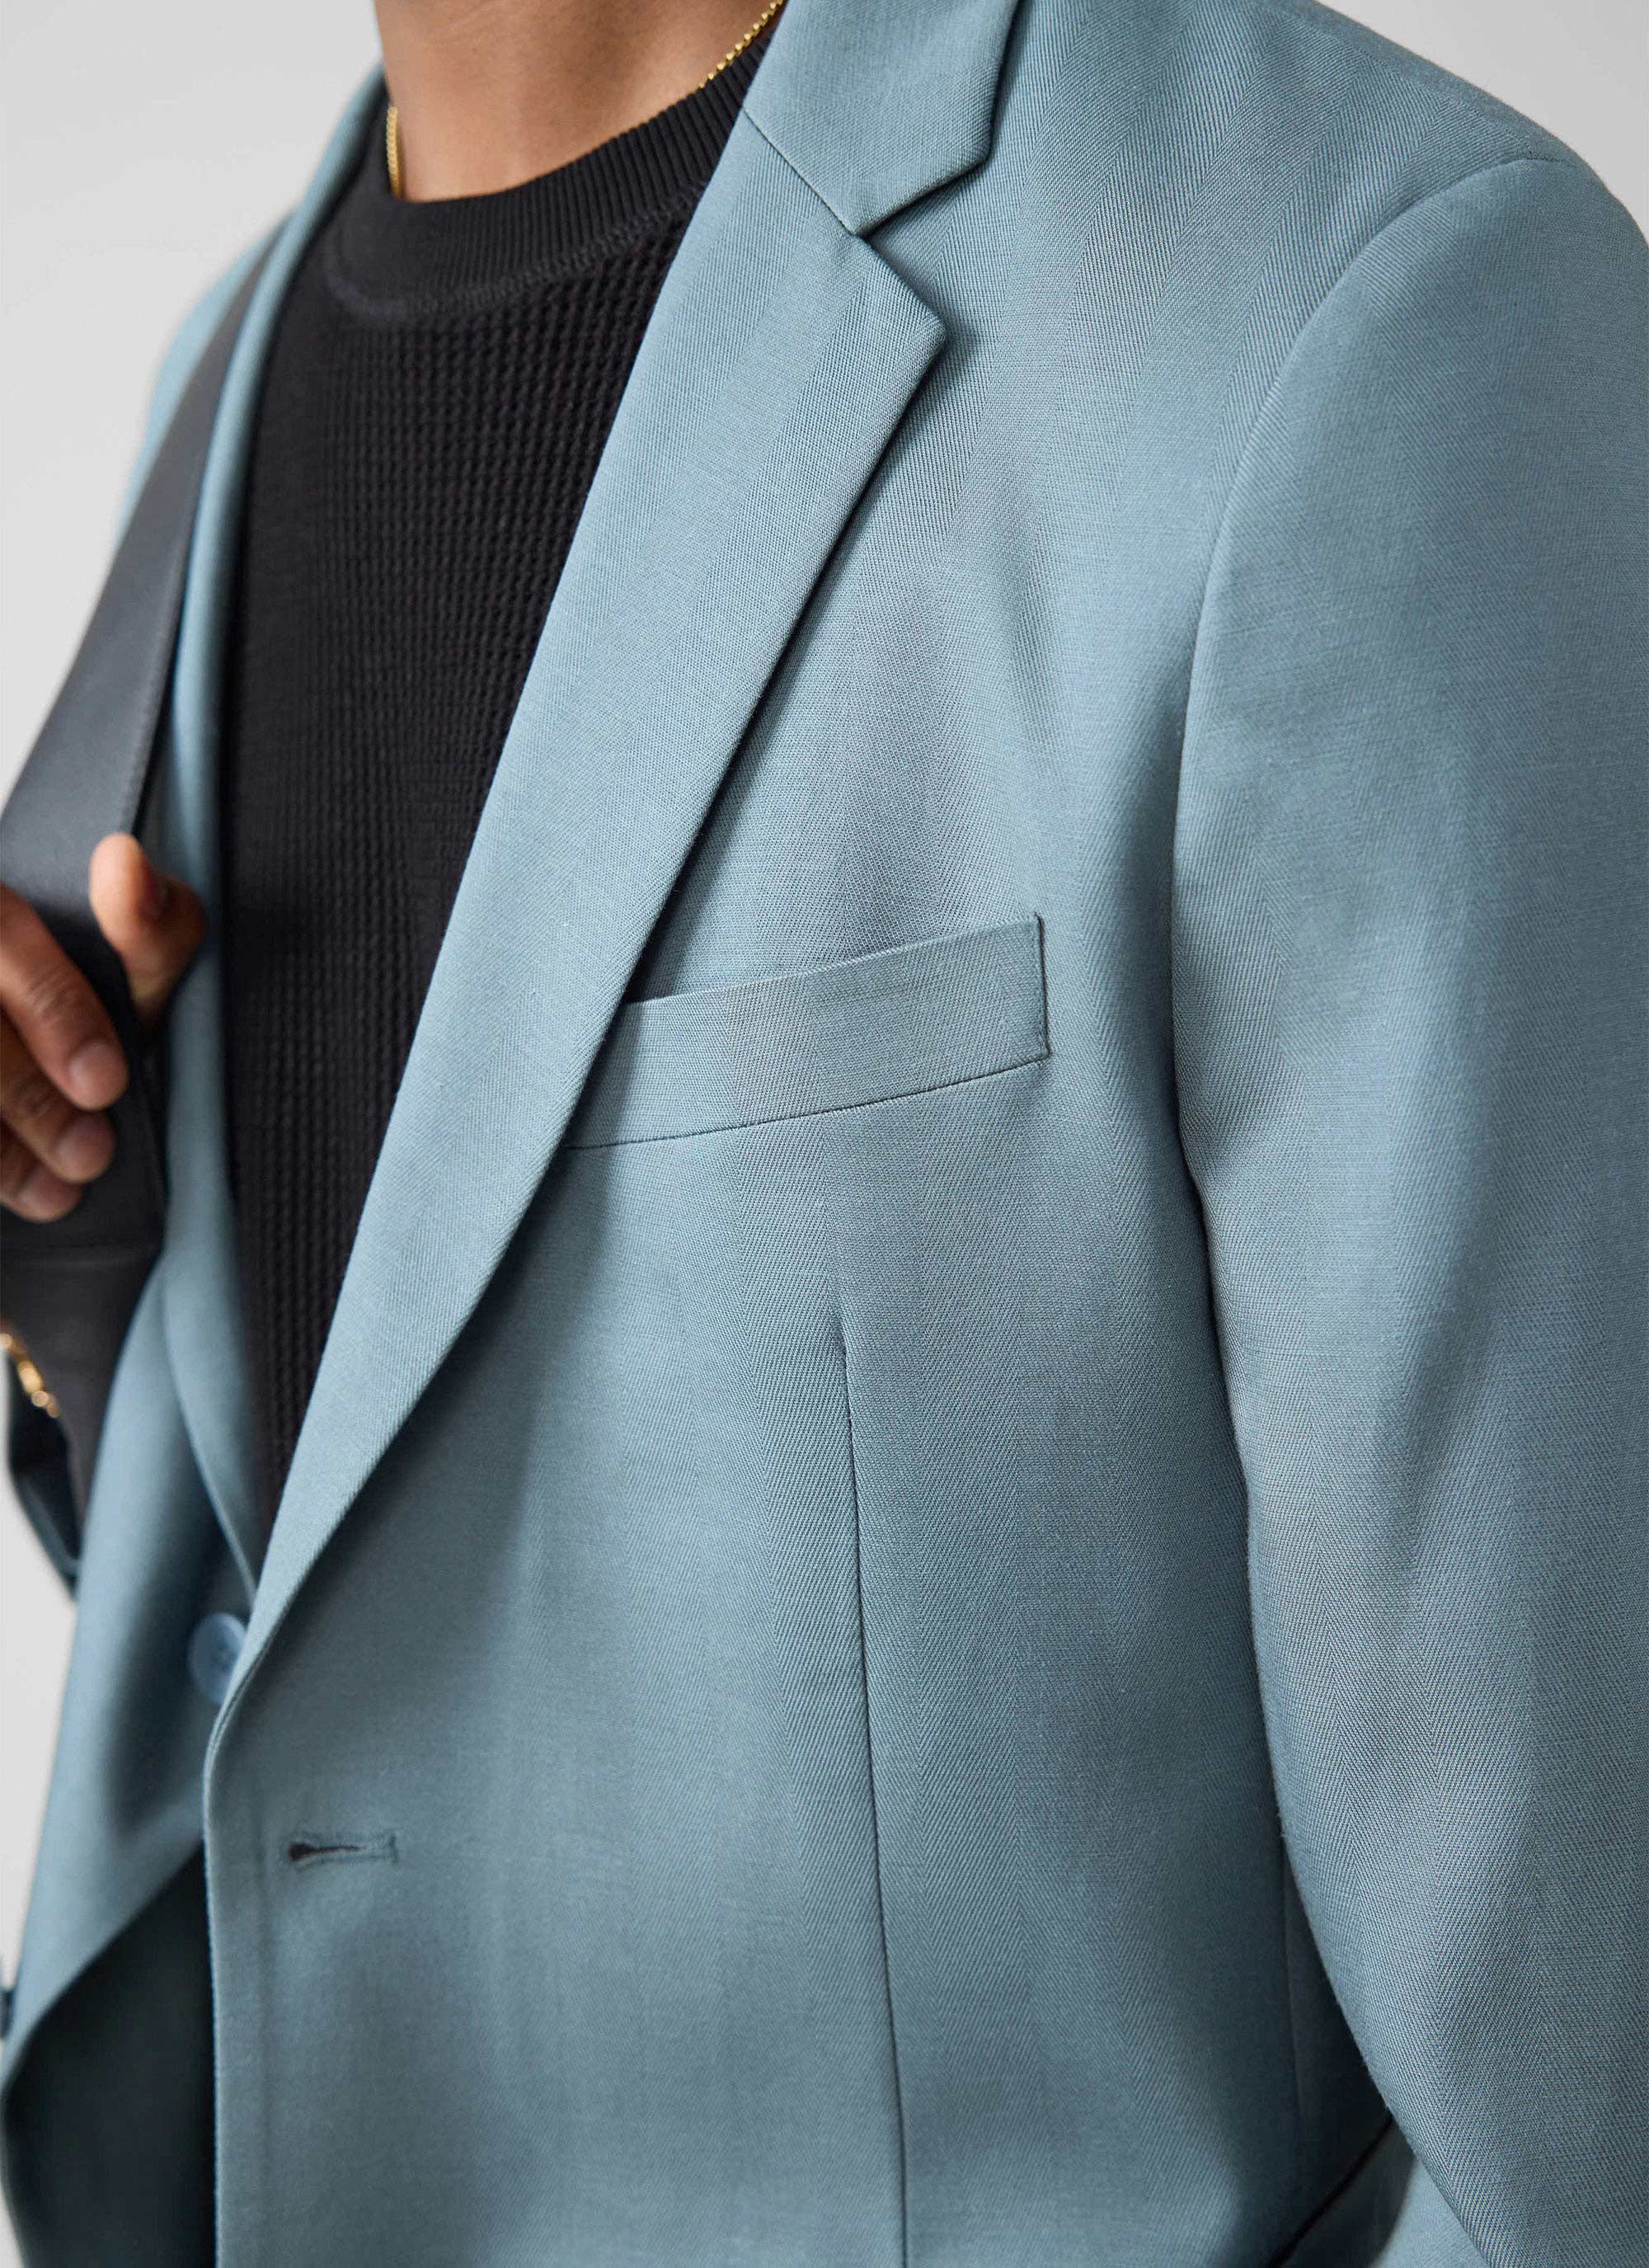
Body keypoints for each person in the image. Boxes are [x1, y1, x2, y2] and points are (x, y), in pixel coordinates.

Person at [0, 0, 1643, 2260]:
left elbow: (1585, 2059)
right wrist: (65, 1258)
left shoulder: (1362, 307)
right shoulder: (227, 376)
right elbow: (375, 1644)